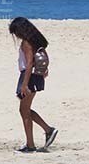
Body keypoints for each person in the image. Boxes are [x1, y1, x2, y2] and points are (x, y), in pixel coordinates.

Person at [9, 17, 58, 153]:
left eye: (16, 32)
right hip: (35, 77)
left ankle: (31, 145)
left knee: (24, 111)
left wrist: (24, 84)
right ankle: (48, 130)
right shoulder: (36, 41)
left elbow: (29, 63)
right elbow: (41, 57)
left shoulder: (26, 43)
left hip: (28, 77)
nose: (16, 36)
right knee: (25, 110)